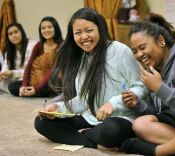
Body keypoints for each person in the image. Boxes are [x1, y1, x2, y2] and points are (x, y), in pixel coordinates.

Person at [34, 8, 147, 149]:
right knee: (41, 122)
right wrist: (59, 108)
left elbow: (140, 87)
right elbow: (82, 100)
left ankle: (89, 137)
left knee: (112, 129)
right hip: (91, 117)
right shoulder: (82, 57)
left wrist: (113, 104)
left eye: (89, 30)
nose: (84, 37)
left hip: (121, 117)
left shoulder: (120, 51)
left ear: (99, 29)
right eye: (78, 33)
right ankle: (94, 141)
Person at [121, 14, 175, 155]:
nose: (139, 54)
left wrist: (159, 87)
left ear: (161, 41)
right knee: (140, 124)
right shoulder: (154, 69)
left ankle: (160, 151)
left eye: (142, 47)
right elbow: (159, 113)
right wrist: (138, 104)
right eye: (135, 51)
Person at [9, 16, 63, 97]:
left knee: (56, 84)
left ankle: (34, 91)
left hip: (51, 79)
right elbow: (29, 65)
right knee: (12, 86)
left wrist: (37, 88)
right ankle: (31, 91)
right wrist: (23, 85)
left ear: (55, 28)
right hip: (36, 78)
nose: (46, 30)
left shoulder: (62, 46)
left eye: (49, 27)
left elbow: (53, 69)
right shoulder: (39, 45)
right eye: (43, 28)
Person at [0, 23, 37, 93]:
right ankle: (20, 91)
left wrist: (12, 73)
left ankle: (28, 91)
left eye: (16, 32)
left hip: (32, 78)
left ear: (22, 32)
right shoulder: (9, 51)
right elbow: (5, 66)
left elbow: (31, 71)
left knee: (12, 86)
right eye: (10, 34)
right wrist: (2, 74)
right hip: (18, 78)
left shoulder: (32, 46)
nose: (14, 35)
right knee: (4, 82)